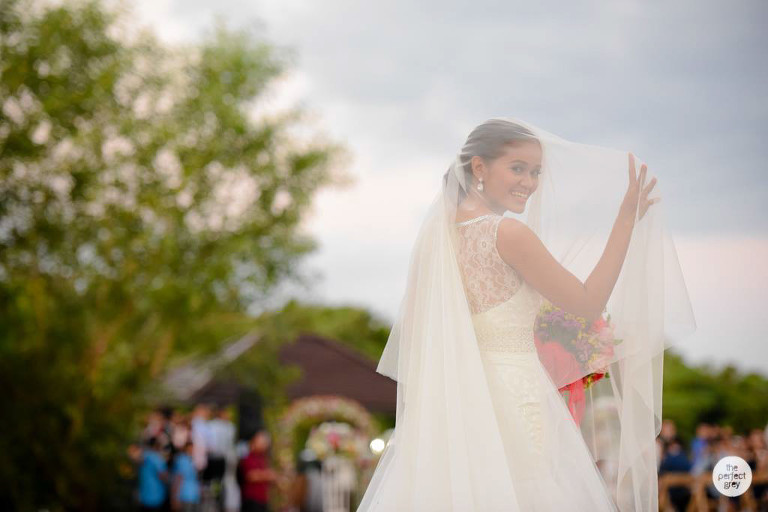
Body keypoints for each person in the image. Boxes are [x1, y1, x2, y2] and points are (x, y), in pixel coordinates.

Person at [357, 118, 696, 511]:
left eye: (535, 172)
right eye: (517, 168)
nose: (530, 182)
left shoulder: (436, 238)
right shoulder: (507, 234)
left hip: (452, 405)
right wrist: (625, 221)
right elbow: (586, 304)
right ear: (479, 167)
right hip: (515, 399)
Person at [238, 430, 277, 512]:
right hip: (251, 500)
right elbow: (251, 476)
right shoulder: (248, 458)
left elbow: (273, 476)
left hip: (262, 499)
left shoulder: (263, 458)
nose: (264, 445)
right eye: (261, 442)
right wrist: (267, 475)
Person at [138, 437, 169, 512]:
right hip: (156, 497)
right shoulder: (156, 458)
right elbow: (163, 476)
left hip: (144, 497)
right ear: (156, 445)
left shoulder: (143, 456)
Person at [171, 441, 201, 512]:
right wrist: (174, 497)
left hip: (192, 497)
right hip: (185, 497)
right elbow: (178, 479)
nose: (193, 451)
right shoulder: (182, 460)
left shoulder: (189, 460)